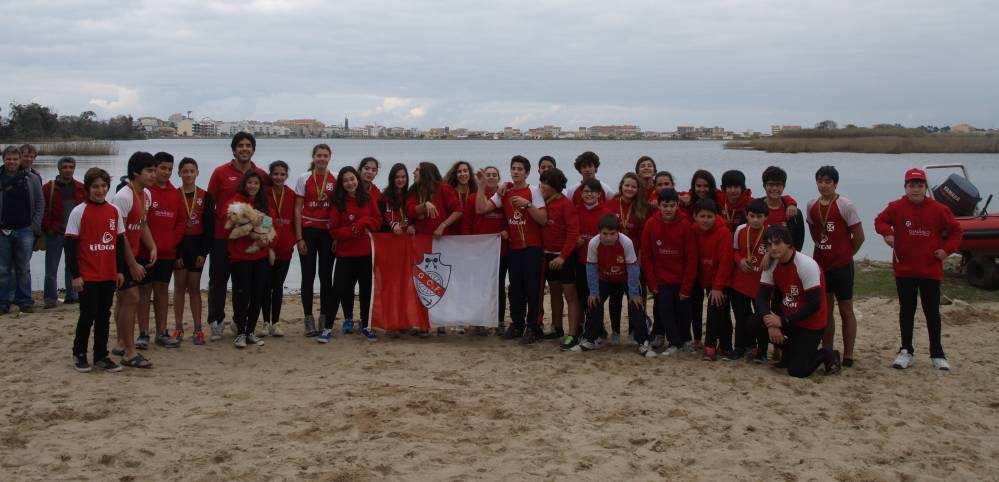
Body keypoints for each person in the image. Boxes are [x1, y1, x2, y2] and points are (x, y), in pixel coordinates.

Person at [874, 168, 962, 371]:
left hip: (930, 270)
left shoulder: (939, 209)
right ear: (905, 187)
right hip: (904, 270)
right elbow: (880, 221)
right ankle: (906, 351)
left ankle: (937, 354)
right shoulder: (896, 207)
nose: (915, 189)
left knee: (932, 312)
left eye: (919, 185)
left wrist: (946, 250)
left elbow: (956, 230)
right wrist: (887, 233)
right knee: (907, 311)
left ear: (925, 187)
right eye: (911, 185)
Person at [476, 155, 546, 343]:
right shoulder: (504, 191)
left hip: (533, 247)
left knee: (532, 288)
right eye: (513, 168)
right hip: (514, 247)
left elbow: (543, 219)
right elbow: (481, 209)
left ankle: (533, 327)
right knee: (515, 289)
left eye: (520, 169)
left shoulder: (534, 191)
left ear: (527, 173)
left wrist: (528, 204)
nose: (516, 172)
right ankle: (517, 324)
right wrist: (482, 186)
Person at [755, 225, 842, 378]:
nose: (773, 248)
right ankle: (788, 352)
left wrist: (782, 322)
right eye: (769, 244)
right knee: (753, 323)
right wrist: (771, 324)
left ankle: (827, 353)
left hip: (810, 322)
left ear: (788, 243)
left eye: (777, 243)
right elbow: (761, 297)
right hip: (788, 318)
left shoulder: (806, 265)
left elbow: (815, 304)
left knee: (797, 371)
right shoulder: (771, 263)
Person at [207, 132, 269, 341]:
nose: (244, 149)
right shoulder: (220, 172)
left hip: (249, 241)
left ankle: (239, 323)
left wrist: (266, 233)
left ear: (253, 149)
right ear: (234, 149)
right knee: (218, 281)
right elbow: (210, 204)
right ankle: (216, 321)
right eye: (240, 145)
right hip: (222, 238)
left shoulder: (260, 173)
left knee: (245, 284)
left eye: (248, 145)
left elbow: (266, 208)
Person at [67, 167, 125, 373]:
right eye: (95, 187)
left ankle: (101, 356)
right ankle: (79, 353)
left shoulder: (114, 211)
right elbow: (71, 247)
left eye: (103, 186)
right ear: (87, 188)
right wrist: (75, 275)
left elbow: (119, 244)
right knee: (87, 314)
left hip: (108, 273)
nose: (100, 190)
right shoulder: (78, 211)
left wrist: (119, 271)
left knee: (104, 315)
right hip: (88, 274)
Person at [806, 166, 864, 368]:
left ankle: (848, 354)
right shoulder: (811, 205)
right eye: (820, 181)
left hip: (842, 267)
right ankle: (828, 351)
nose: (824, 185)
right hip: (821, 266)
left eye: (828, 182)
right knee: (826, 310)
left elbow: (859, 237)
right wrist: (825, 248)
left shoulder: (845, 205)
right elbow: (814, 233)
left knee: (846, 309)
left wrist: (846, 254)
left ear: (835, 184)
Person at [110, 152, 157, 369]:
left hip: (135, 251)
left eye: (154, 170)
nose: (153, 175)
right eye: (149, 171)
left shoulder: (146, 194)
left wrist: (152, 246)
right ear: (135, 172)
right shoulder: (124, 196)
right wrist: (131, 264)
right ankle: (129, 352)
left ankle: (121, 342)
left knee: (124, 299)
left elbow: (143, 224)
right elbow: (119, 235)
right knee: (131, 298)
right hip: (120, 254)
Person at [579, 214, 649, 356]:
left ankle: (643, 341)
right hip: (604, 278)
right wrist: (593, 292)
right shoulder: (594, 243)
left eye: (612, 234)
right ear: (599, 232)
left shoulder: (626, 242)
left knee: (636, 304)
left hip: (625, 278)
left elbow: (633, 268)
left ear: (618, 232)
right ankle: (590, 339)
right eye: (604, 233)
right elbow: (591, 268)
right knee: (593, 302)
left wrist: (634, 293)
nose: (608, 237)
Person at [640, 188, 697, 356]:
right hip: (661, 279)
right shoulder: (651, 224)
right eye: (665, 205)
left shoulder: (686, 224)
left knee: (684, 311)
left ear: (677, 205)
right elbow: (647, 256)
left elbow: (691, 258)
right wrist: (652, 283)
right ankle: (673, 342)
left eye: (672, 206)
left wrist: (687, 286)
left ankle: (685, 339)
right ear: (659, 205)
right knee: (665, 309)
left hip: (681, 278)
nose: (668, 209)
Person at [136, 152, 184, 349]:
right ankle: (143, 333)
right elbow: (139, 222)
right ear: (153, 169)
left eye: (169, 169)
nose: (166, 172)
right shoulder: (145, 192)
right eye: (162, 168)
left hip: (167, 252)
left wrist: (171, 243)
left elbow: (180, 223)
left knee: (162, 291)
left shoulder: (175, 193)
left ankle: (162, 332)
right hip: (145, 252)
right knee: (144, 292)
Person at [328, 166, 382, 342]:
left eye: (352, 179)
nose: (350, 183)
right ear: (341, 184)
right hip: (345, 254)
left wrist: (365, 222)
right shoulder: (338, 203)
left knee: (366, 291)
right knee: (339, 290)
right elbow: (335, 231)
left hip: (366, 253)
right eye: (345, 181)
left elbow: (377, 221)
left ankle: (366, 325)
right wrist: (354, 229)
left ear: (357, 180)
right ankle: (328, 328)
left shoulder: (367, 198)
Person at [223, 171, 274, 349]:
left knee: (257, 294)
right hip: (240, 256)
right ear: (244, 184)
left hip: (259, 254)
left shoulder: (263, 202)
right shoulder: (235, 202)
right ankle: (240, 333)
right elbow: (228, 229)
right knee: (242, 295)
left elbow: (268, 225)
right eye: (250, 183)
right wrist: (252, 223)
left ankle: (250, 331)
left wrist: (264, 237)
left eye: (256, 183)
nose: (253, 186)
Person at [604, 173, 653, 344]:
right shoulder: (611, 205)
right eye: (627, 185)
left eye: (634, 186)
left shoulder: (642, 208)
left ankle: (634, 330)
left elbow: (644, 237)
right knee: (615, 296)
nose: (630, 189)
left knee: (635, 295)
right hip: (613, 258)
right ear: (621, 186)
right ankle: (616, 331)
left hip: (634, 259)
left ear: (638, 189)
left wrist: (639, 260)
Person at [295, 144, 337, 337]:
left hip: (328, 233)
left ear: (330, 157)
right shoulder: (304, 178)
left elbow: (339, 209)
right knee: (308, 276)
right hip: (309, 232)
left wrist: (337, 236)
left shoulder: (335, 178)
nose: (321, 159)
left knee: (326, 277)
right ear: (313, 157)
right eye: (318, 156)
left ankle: (324, 316)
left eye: (325, 156)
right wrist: (299, 237)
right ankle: (308, 317)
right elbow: (297, 209)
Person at [172, 158, 214, 345]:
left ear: (197, 173)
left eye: (192, 171)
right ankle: (179, 327)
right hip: (180, 247)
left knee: (195, 289)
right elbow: (170, 227)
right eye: (185, 171)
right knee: (180, 288)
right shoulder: (174, 195)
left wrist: (203, 253)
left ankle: (198, 329)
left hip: (197, 247)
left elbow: (209, 228)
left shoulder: (205, 195)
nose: (188, 174)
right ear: (179, 173)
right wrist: (176, 254)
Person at [539, 167, 580, 345]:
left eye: (545, 183)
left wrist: (563, 257)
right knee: (554, 292)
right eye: (541, 182)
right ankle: (557, 328)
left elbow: (573, 233)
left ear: (554, 186)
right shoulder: (543, 202)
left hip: (564, 257)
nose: (541, 186)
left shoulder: (566, 204)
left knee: (570, 295)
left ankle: (573, 333)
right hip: (547, 255)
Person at [0, 146, 43, 315]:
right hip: (3, 230)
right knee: (3, 269)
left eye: (15, 159)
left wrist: (34, 227)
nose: (11, 162)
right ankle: (3, 302)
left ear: (20, 160)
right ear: (4, 159)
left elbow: (40, 203)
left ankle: (25, 301)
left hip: (25, 230)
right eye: (8, 159)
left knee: (23, 268)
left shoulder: (31, 178)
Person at [571, 179, 611, 347]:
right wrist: (576, 239)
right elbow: (571, 231)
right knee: (582, 296)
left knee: (595, 297)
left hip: (598, 263)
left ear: (599, 194)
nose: (589, 194)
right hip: (580, 260)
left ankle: (598, 329)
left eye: (592, 192)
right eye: (586, 192)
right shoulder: (576, 210)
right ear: (581, 193)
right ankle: (583, 329)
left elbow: (610, 237)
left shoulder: (606, 212)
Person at [729, 199, 771, 363]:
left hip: (761, 285)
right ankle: (740, 347)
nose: (755, 220)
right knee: (740, 317)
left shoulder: (770, 233)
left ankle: (762, 351)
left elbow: (779, 251)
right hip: (740, 282)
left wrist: (769, 253)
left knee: (761, 319)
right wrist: (739, 261)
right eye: (752, 216)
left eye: (759, 216)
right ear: (746, 215)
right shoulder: (740, 230)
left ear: (766, 217)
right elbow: (734, 250)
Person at [692, 198, 733, 360]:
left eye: (710, 216)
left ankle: (715, 345)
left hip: (721, 279)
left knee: (718, 310)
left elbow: (726, 261)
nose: (706, 220)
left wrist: (718, 287)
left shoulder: (723, 232)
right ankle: (702, 341)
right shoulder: (693, 229)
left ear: (716, 216)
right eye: (702, 216)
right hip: (702, 276)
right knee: (699, 308)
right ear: (695, 216)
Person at [41, 156, 85, 308]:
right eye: (65, 167)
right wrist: (49, 228)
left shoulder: (80, 187)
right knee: (51, 268)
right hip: (55, 233)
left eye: (70, 167)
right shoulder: (49, 187)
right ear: (59, 169)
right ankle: (50, 298)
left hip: (74, 233)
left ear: (74, 168)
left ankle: (72, 295)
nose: (68, 170)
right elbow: (43, 209)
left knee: (72, 265)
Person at [259, 161, 295, 339]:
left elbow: (296, 219)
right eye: (275, 174)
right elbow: (264, 220)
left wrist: (296, 241)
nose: (278, 177)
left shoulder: (292, 195)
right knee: (265, 285)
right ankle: (265, 322)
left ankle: (276, 322)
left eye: (282, 174)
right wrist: (269, 247)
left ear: (286, 176)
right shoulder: (264, 194)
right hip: (268, 248)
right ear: (270, 175)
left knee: (278, 286)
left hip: (286, 248)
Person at [473, 166, 509, 335]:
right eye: (488, 175)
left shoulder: (505, 194)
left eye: (495, 175)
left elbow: (511, 217)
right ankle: (479, 322)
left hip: (501, 249)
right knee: (480, 287)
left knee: (499, 286)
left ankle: (499, 321)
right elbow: (473, 217)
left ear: (499, 177)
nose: (491, 177)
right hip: (481, 250)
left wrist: (506, 230)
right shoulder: (476, 196)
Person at [759, 166, 804, 250]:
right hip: (760, 258)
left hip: (785, 260)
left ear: (784, 186)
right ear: (764, 186)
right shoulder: (755, 210)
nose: (775, 188)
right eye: (771, 184)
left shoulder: (795, 213)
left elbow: (798, 243)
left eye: (778, 185)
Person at [378, 163, 412, 235]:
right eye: (397, 177)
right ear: (392, 178)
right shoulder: (383, 198)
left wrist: (413, 226)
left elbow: (412, 216)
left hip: (406, 237)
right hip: (389, 237)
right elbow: (381, 220)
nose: (400, 180)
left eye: (403, 177)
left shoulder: (409, 196)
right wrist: (392, 225)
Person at [445, 161, 477, 235]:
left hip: (471, 235)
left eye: (465, 171)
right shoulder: (449, 192)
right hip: (452, 235)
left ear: (470, 173)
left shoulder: (476, 192)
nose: (462, 174)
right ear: (455, 175)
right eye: (459, 172)